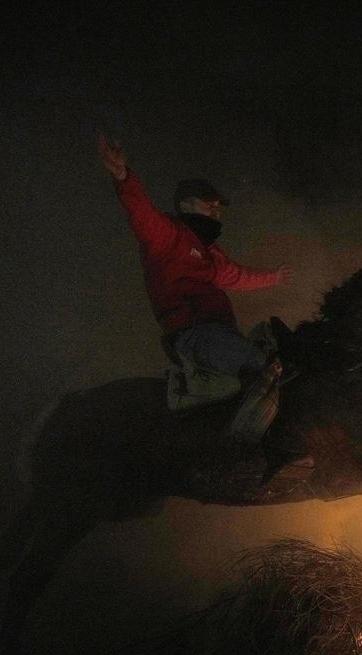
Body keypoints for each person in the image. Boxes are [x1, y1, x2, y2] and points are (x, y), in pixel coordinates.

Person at [98, 135, 292, 442]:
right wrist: (123, 176)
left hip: (220, 333)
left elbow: (237, 276)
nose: (216, 210)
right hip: (193, 334)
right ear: (185, 204)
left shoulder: (210, 252)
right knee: (259, 366)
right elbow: (142, 214)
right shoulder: (169, 235)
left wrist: (274, 278)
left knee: (279, 350)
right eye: (209, 203)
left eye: (218, 206)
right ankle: (238, 451)